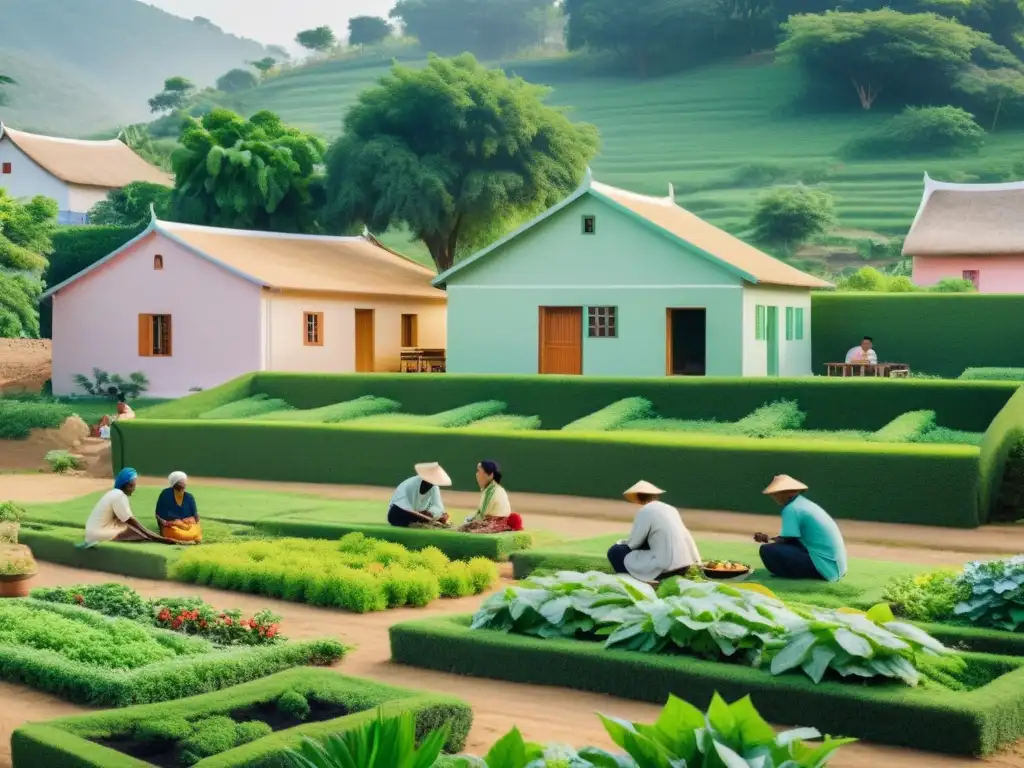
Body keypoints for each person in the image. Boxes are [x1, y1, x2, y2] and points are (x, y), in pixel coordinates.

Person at [754, 475, 847, 582]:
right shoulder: (804, 504)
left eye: (775, 494)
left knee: (767, 550)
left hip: (823, 566)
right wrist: (769, 538)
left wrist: (767, 540)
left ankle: (787, 577)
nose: (774, 497)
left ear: (784, 494)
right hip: (836, 567)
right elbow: (792, 539)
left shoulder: (791, 509)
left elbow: (787, 541)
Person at [606, 481, 701, 582]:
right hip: (684, 566)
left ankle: (630, 581)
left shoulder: (645, 511)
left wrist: (620, 543)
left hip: (665, 567)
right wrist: (698, 562)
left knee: (615, 551)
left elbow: (634, 544)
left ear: (638, 497)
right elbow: (687, 536)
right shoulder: (671, 509)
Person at [80, 468, 189, 548]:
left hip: (93, 531)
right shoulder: (119, 496)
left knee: (134, 530)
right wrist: (161, 539)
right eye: (133, 485)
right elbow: (133, 522)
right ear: (127, 486)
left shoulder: (114, 493)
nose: (134, 488)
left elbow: (122, 519)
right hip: (97, 534)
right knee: (137, 532)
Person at [460, 461, 525, 533]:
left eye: (479, 471)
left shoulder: (490, 491)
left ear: (490, 475)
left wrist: (470, 521)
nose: (477, 475)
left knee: (466, 528)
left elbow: (483, 514)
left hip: (495, 524)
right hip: (498, 522)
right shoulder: (494, 488)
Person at [388, 462, 451, 527]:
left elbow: (438, 507)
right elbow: (407, 510)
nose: (431, 484)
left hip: (417, 514)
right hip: (398, 512)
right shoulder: (411, 485)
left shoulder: (434, 487)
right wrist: (427, 517)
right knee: (401, 513)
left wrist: (434, 514)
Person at [155, 471, 202, 543]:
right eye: (181, 480)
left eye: (184, 480)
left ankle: (189, 538)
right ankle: (187, 539)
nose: (184, 482)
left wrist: (195, 521)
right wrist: (166, 522)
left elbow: (196, 516)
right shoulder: (165, 494)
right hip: (171, 526)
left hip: (187, 525)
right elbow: (158, 514)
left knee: (195, 530)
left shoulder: (189, 497)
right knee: (177, 533)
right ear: (174, 482)